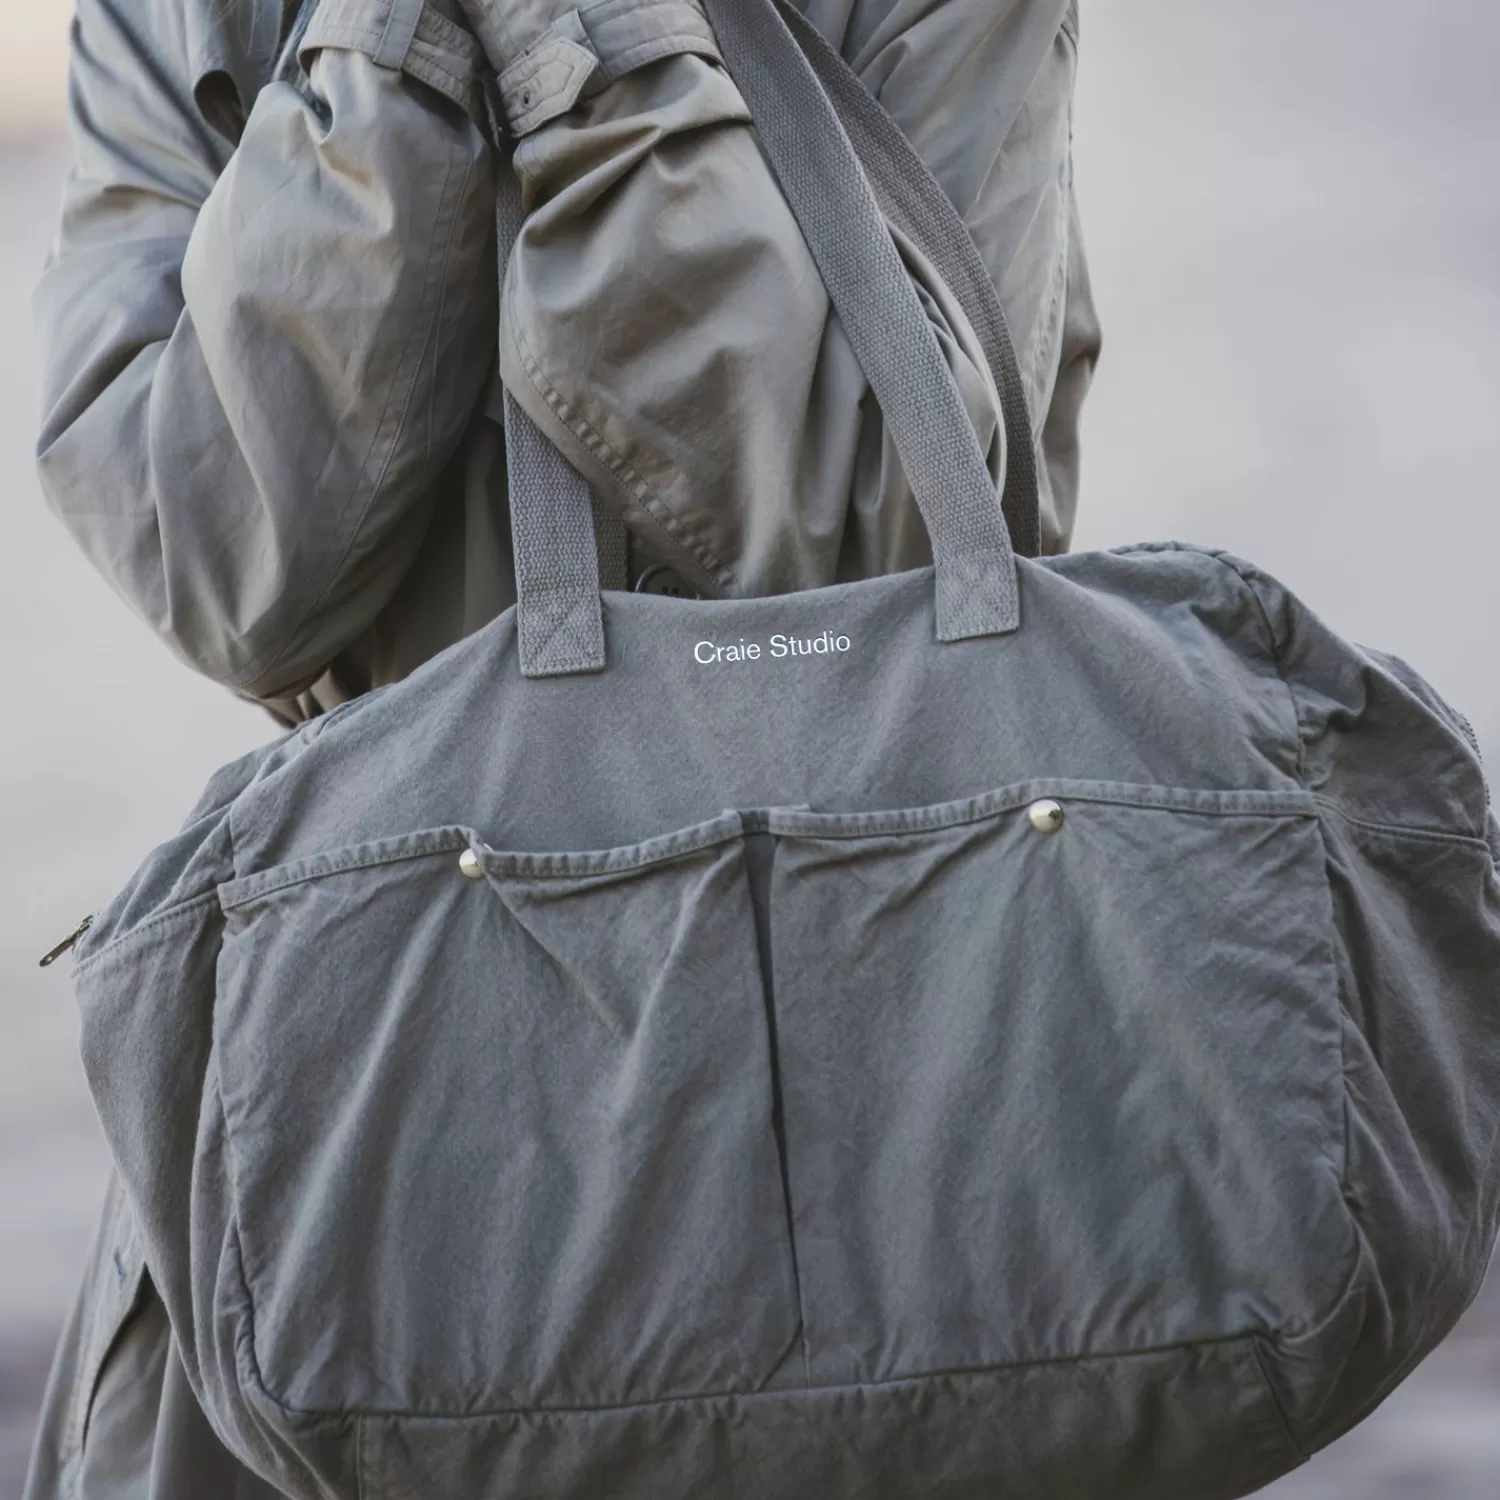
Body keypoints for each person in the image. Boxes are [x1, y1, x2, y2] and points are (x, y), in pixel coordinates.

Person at [25, 0, 1099, 1493]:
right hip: (358, 1163)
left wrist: (572, 31)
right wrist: (390, 43)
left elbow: (865, 541)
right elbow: (218, 560)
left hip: (868, 1141)